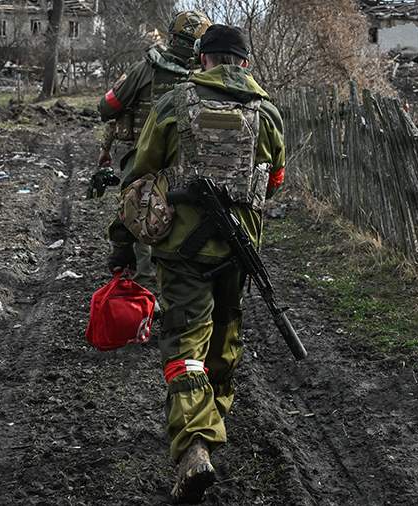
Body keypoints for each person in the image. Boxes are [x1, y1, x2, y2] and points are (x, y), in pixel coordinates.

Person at [106, 24, 286, 503]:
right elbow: (274, 182)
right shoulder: (266, 112)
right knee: (226, 338)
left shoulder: (173, 105)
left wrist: (122, 238)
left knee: (185, 344)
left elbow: (139, 174)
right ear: (245, 63)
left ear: (202, 60)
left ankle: (194, 446)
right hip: (239, 249)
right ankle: (210, 418)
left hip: (181, 253)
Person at [95, 10, 212, 290]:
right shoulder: (205, 75)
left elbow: (107, 107)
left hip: (143, 156)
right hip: (188, 163)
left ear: (172, 36)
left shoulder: (146, 68)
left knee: (140, 214)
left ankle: (144, 285)